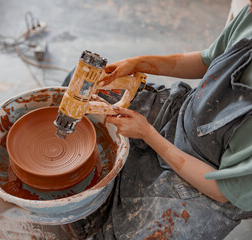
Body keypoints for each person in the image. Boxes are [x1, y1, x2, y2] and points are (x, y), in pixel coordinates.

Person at [63, 2, 252, 239]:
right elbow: (208, 60)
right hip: (184, 115)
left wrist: (148, 135)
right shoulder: (250, 15)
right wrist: (140, 62)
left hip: (210, 181)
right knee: (82, 86)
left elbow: (221, 191)